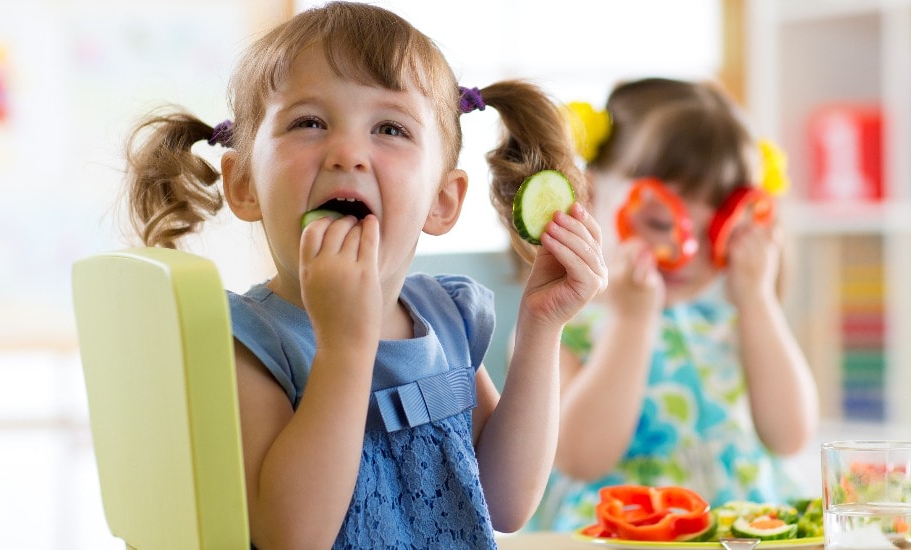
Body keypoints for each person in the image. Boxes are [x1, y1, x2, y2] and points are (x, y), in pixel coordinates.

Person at [121, 3, 607, 548]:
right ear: (243, 184)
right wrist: (345, 347)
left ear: (443, 202)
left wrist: (542, 328)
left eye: (391, 128)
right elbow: (292, 536)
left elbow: (506, 502)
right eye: (308, 122)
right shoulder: (245, 343)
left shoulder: (447, 321)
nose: (347, 152)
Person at [526, 77, 819, 532]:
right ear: (590, 192)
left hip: (741, 532)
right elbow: (579, 457)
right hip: (625, 534)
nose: (687, 251)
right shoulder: (561, 322)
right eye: (661, 221)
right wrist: (631, 321)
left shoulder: (733, 320)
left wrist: (758, 301)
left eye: (716, 230)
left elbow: (790, 436)